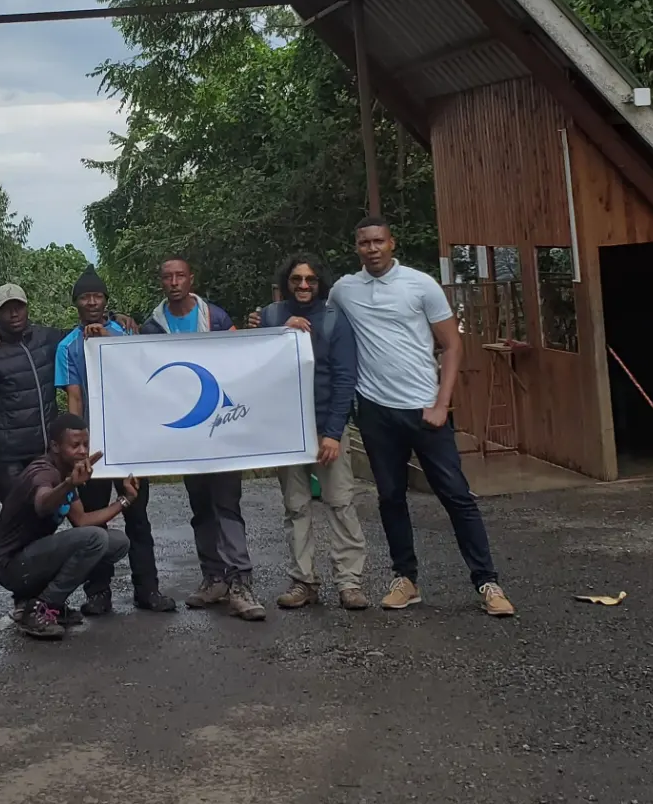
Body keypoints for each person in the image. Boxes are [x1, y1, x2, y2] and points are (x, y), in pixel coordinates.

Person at [329, 218, 516, 617]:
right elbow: (320, 327)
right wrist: (270, 321)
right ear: (356, 247)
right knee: (391, 497)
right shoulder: (344, 290)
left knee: (457, 496)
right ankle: (405, 580)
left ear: (392, 243)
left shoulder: (420, 284)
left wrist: (441, 403)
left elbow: (452, 345)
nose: (373, 248)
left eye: (379, 241)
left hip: (425, 408)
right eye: (365, 243)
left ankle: (488, 583)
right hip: (376, 411)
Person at [142, 257, 267, 621]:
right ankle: (213, 578)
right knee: (201, 507)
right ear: (161, 282)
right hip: (185, 432)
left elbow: (237, 360)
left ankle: (240, 583)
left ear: (191, 278)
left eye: (180, 275)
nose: (174, 281)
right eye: (168, 277)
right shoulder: (152, 328)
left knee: (227, 504)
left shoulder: (216, 317)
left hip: (221, 428)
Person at [55, 268, 176, 614]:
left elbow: (140, 373)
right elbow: (74, 399)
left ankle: (148, 589)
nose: (92, 302)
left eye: (97, 296)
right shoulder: (67, 347)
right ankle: (98, 592)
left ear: (106, 301)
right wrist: (77, 452)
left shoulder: (126, 330)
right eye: (84, 297)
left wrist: (107, 336)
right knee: (96, 520)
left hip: (131, 442)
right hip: (94, 448)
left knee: (138, 515)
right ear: (76, 304)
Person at [255, 254, 370, 610]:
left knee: (340, 504)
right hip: (286, 431)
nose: (303, 286)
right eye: (296, 280)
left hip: (326, 428)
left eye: (311, 280)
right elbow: (254, 364)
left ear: (320, 284)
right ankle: (303, 581)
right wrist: (277, 333)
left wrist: (334, 433)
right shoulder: (271, 316)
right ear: (286, 282)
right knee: (296, 508)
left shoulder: (336, 319)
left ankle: (349, 583)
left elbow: (345, 378)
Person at [0, 413, 137, 640]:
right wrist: (68, 484)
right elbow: (43, 503)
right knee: (95, 539)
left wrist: (125, 499)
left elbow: (82, 520)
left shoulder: (67, 471)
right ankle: (41, 608)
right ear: (55, 446)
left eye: (86, 444)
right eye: (75, 445)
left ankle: (49, 603)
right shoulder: (42, 472)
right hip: (13, 566)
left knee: (117, 542)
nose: (82, 451)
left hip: (33, 559)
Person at [0, 284, 65, 504]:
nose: (14, 313)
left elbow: (81, 336)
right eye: (7, 309)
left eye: (19, 306)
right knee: (18, 521)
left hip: (45, 454)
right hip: (9, 460)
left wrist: (114, 317)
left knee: (46, 517)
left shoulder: (47, 338)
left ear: (27, 308)